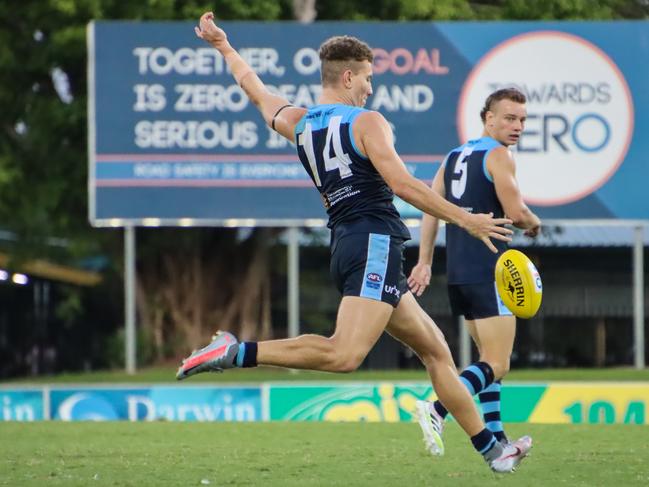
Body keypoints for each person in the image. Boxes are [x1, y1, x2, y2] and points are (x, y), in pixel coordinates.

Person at [178, 12, 531, 473]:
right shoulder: (368, 122)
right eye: (367, 78)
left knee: (437, 351)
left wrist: (225, 47)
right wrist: (468, 220)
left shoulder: (298, 122)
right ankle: (233, 351)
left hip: (349, 244)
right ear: (348, 76)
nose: (370, 87)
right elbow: (403, 185)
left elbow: (255, 90)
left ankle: (493, 451)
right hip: (375, 243)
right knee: (344, 354)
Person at [408, 87, 541, 449]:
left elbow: (430, 207)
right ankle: (437, 408)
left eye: (523, 120)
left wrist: (424, 261)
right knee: (498, 363)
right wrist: (533, 221)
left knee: (487, 362)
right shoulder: (499, 155)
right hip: (491, 270)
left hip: (460, 274)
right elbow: (516, 212)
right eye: (510, 118)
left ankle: (498, 439)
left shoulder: (454, 156)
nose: (518, 126)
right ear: (489, 118)